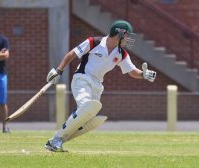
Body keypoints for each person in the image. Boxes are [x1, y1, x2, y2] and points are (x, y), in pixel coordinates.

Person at [44, 20, 157, 152]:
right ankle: (56, 140)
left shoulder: (121, 53)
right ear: (119, 33)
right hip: (82, 79)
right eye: (127, 35)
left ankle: (57, 141)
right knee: (86, 106)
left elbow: (132, 71)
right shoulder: (93, 42)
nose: (128, 39)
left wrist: (144, 74)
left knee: (87, 114)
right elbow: (72, 54)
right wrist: (59, 70)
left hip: (97, 85)